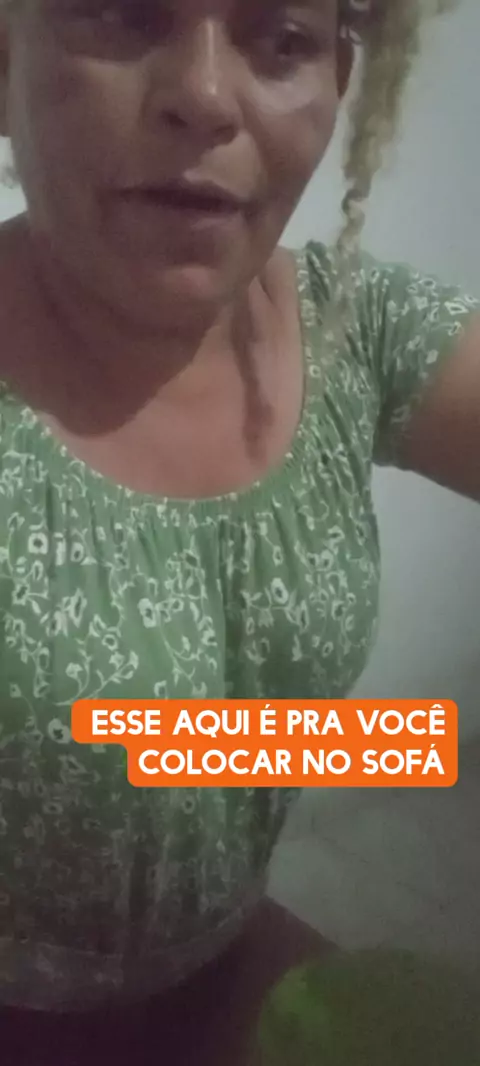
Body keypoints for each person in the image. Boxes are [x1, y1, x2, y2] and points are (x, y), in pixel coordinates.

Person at [0, 0, 478, 1045]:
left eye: (282, 38)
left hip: (226, 970)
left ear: (340, 81)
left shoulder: (361, 328)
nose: (207, 96)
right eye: (124, 15)